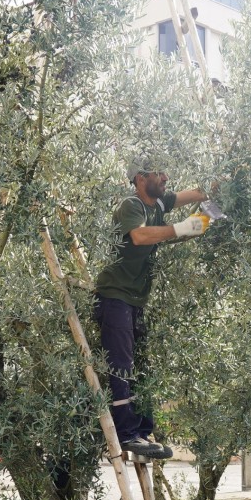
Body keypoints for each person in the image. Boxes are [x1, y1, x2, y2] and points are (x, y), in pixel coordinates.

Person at [94, 161, 209, 459]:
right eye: (159, 173)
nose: (166, 177)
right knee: (121, 364)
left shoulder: (159, 202)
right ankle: (127, 434)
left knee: (142, 365)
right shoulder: (131, 205)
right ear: (141, 179)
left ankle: (143, 431)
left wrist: (224, 184)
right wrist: (181, 228)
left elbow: (195, 193)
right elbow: (140, 236)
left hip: (135, 300)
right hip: (114, 296)